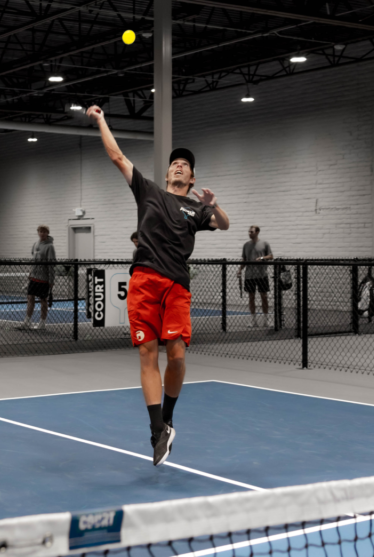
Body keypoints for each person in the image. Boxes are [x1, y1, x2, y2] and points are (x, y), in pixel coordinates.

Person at [88, 104, 231, 466]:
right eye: (175, 163)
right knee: (147, 353)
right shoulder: (148, 191)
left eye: (185, 165)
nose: (179, 165)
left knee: (178, 356)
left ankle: (167, 418)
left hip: (176, 286)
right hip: (144, 281)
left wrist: (215, 207)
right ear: (168, 172)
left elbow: (225, 225)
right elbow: (117, 156)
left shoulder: (196, 210)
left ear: (192, 179)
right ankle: (157, 432)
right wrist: (103, 120)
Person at [238, 226, 273, 328]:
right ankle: (253, 321)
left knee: (264, 297)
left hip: (262, 275)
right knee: (251, 298)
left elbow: (271, 256)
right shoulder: (246, 245)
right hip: (249, 276)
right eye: (249, 231)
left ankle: (266, 320)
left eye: (251, 231)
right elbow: (244, 260)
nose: (249, 233)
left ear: (257, 232)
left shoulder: (265, 244)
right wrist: (240, 269)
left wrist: (262, 258)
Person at [23, 225, 56, 330]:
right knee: (30, 298)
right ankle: (27, 321)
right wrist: (30, 273)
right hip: (34, 277)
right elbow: (34, 261)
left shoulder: (50, 247)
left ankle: (42, 323)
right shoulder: (35, 244)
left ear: (47, 233)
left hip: (44, 279)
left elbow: (51, 265)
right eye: (40, 231)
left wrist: (51, 280)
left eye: (44, 232)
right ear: (38, 232)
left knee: (43, 301)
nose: (42, 233)